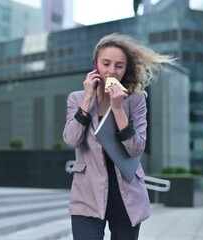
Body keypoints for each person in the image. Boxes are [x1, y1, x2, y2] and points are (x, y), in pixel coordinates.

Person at [63, 33, 174, 240]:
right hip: (87, 192)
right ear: (95, 64)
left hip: (127, 193)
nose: (111, 71)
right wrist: (87, 100)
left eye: (119, 66)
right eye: (106, 64)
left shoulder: (136, 100)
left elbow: (136, 148)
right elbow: (71, 139)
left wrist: (118, 109)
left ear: (125, 70)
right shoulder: (76, 98)